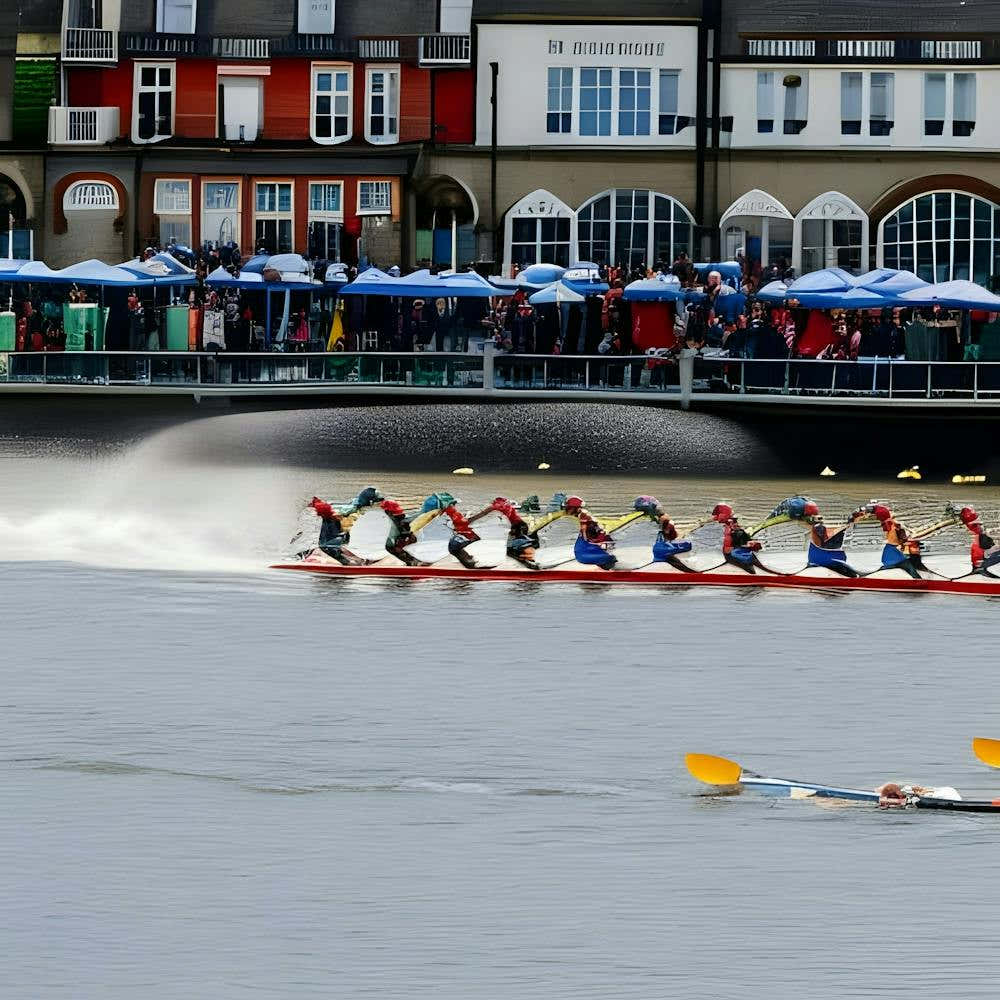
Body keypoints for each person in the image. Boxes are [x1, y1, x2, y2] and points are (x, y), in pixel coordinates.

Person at [304, 486, 383, 564]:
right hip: (333, 549)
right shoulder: (354, 513)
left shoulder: (354, 510)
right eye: (377, 503)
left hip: (332, 546)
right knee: (354, 563)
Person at [851, 503, 928, 579]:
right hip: (896, 552)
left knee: (901, 561)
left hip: (895, 554)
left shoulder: (888, 523)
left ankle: (918, 578)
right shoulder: (889, 524)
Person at [632, 496, 696, 571]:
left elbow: (671, 534)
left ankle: (691, 572)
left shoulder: (662, 519)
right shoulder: (659, 518)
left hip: (663, 547)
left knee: (662, 550)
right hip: (663, 545)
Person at [712, 503, 776, 573]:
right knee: (755, 567)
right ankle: (771, 574)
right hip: (733, 552)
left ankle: (772, 573)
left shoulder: (730, 527)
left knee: (756, 566)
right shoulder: (726, 528)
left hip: (735, 551)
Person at [563, 496, 617, 569]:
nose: (567, 510)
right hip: (599, 538)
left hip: (598, 540)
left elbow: (584, 532)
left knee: (581, 556)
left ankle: (608, 560)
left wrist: (585, 542)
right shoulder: (585, 514)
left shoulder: (583, 516)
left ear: (574, 508)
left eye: (568, 508)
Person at [954, 505, 1000, 576]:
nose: (980, 526)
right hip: (981, 564)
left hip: (980, 561)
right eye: (977, 525)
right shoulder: (980, 535)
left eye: (979, 525)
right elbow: (986, 551)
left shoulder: (976, 533)